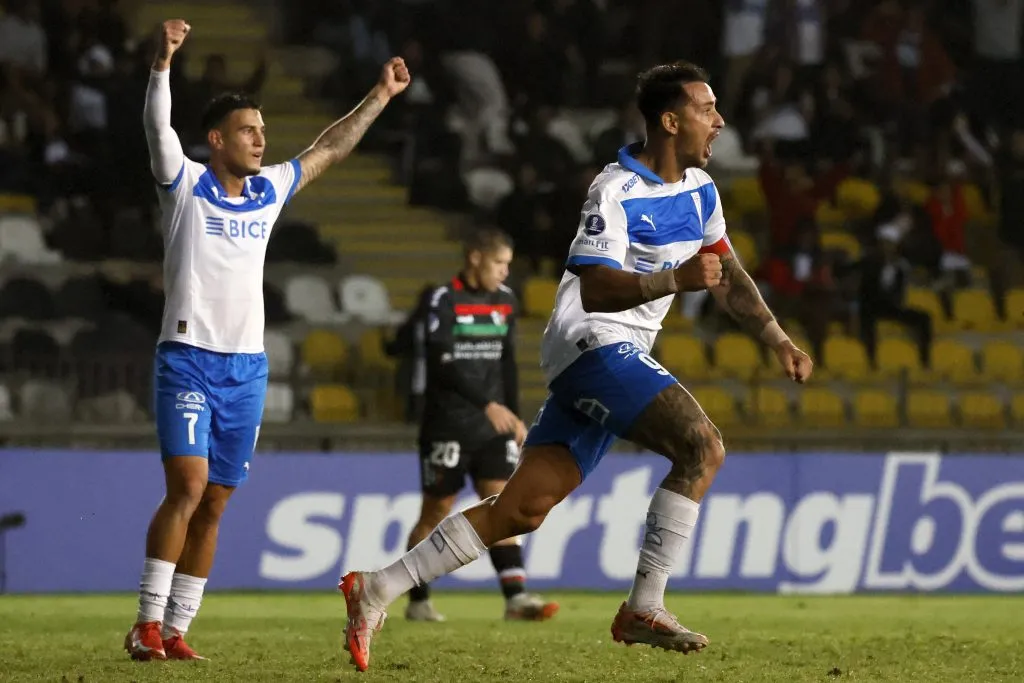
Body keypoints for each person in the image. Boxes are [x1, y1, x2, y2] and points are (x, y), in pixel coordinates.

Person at [337, 60, 813, 673]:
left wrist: (776, 338)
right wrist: (674, 278)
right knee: (702, 446)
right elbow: (594, 289)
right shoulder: (614, 189)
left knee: (521, 509)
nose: (719, 121)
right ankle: (645, 605)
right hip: (593, 339)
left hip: (613, 353)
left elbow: (729, 275)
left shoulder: (701, 190)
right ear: (670, 121)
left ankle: (376, 587)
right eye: (706, 109)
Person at [124, 19, 409, 662]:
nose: (261, 140)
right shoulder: (186, 186)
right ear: (217, 139)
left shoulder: (267, 191)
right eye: (249, 130)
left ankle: (176, 629)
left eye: (263, 131)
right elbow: (156, 130)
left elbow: (330, 148)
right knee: (188, 487)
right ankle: (144, 622)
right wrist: (162, 64)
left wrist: (381, 96)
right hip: (188, 358)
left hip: (247, 368)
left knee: (216, 502)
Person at [404, 228, 558, 623]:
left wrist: (513, 414)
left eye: (508, 264)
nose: (506, 272)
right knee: (435, 512)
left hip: (493, 426)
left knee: (503, 505)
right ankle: (418, 601)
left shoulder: (505, 302)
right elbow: (442, 362)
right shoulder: (443, 299)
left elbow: (506, 363)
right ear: (475, 258)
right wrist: (487, 404)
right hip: (448, 424)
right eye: (499, 263)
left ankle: (516, 598)